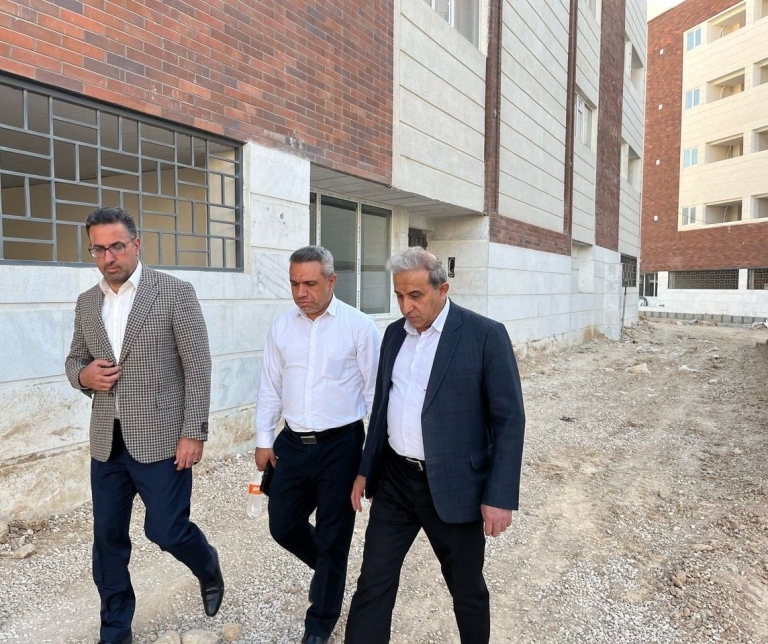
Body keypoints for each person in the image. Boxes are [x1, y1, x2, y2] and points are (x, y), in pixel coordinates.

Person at [344, 247, 526, 644]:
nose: (405, 306)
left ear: (442, 289)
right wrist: (365, 470)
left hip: (455, 486)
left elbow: (509, 420)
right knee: (373, 581)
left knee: (466, 589)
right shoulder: (394, 334)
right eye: (399, 296)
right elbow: (382, 407)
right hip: (395, 482)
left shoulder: (485, 336)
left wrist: (499, 496)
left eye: (415, 296)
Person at [65, 207, 224, 644]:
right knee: (107, 539)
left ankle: (206, 564)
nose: (108, 257)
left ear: (136, 244)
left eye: (116, 246)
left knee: (166, 530)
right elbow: (75, 359)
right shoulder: (87, 302)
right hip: (107, 442)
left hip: (163, 440)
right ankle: (115, 629)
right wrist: (83, 376)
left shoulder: (174, 292)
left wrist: (193, 432)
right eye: (99, 249)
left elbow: (198, 366)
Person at [255, 246, 381, 644]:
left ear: (331, 281)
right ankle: (331, 571)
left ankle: (319, 624)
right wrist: (263, 438)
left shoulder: (359, 327)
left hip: (341, 446)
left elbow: (376, 396)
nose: (300, 293)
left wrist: (371, 461)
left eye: (309, 284)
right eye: (294, 284)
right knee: (282, 524)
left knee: (333, 536)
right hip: (291, 444)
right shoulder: (281, 327)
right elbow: (270, 385)